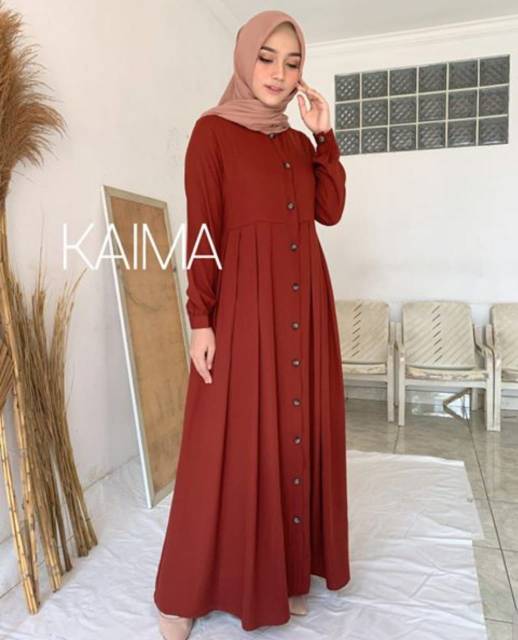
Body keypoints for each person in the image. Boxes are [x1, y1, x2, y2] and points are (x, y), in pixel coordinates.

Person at [153, 9, 350, 639]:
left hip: (303, 306)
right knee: (221, 444)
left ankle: (284, 575)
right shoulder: (211, 133)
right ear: (244, 58)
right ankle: (184, 593)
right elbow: (204, 234)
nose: (278, 73)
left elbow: (329, 211)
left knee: (292, 431)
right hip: (242, 308)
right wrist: (200, 319)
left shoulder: (297, 143)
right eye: (266, 57)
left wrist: (324, 136)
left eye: (292, 63)